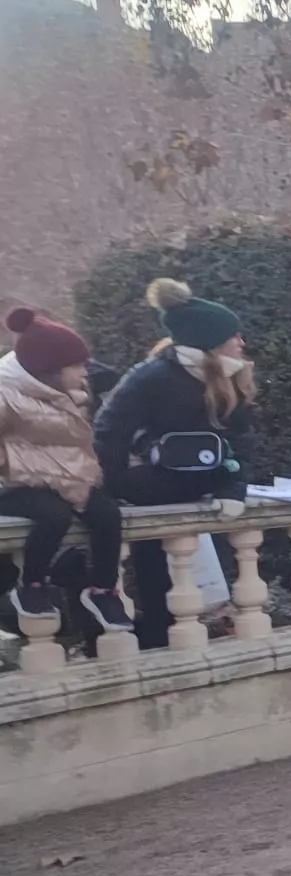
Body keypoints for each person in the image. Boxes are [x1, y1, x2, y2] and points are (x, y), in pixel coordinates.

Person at [94, 278, 259, 648]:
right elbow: (109, 432)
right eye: (234, 335)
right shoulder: (151, 376)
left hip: (205, 488)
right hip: (151, 491)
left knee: (208, 568)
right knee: (154, 569)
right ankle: (156, 635)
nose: (242, 342)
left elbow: (241, 442)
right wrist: (119, 484)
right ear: (210, 340)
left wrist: (233, 484)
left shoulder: (234, 378)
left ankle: (201, 625)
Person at [1, 307, 134, 633]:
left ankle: (103, 590)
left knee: (107, 514)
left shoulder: (73, 396)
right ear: (48, 370)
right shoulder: (5, 393)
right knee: (54, 515)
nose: (84, 373)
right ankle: (31, 586)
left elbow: (76, 449)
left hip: (63, 480)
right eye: (75, 366)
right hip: (13, 486)